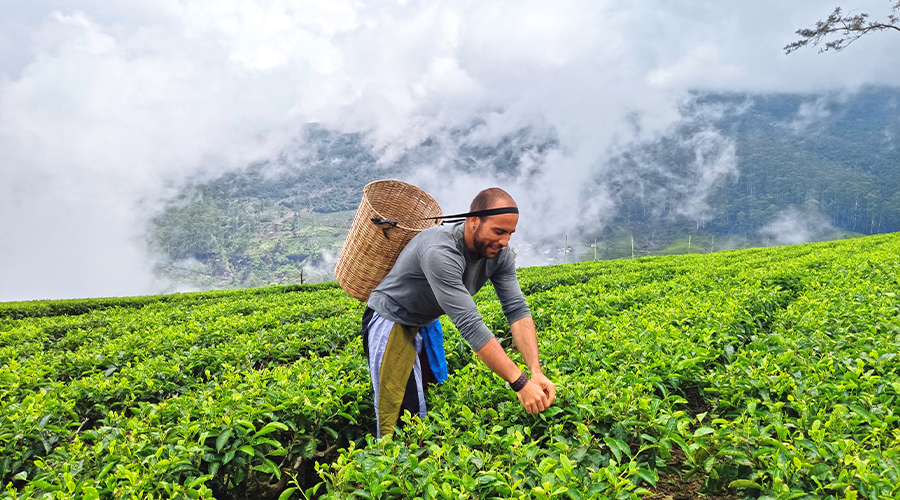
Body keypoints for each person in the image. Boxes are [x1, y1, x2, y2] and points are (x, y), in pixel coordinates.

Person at [362, 187, 557, 437]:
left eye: (510, 233)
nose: (505, 241)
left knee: (430, 399)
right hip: (391, 319)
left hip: (425, 322)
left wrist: (535, 372)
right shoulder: (440, 252)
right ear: (474, 222)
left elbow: (517, 309)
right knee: (402, 418)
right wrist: (519, 383)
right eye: (498, 231)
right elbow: (470, 324)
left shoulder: (501, 255)